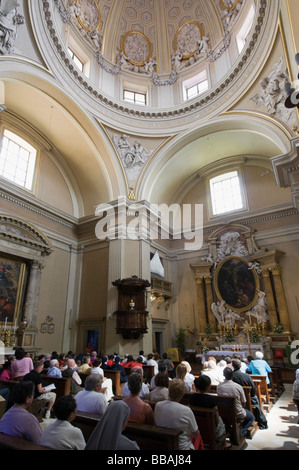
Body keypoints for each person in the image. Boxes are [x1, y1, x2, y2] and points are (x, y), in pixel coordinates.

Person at [154, 379, 202, 450]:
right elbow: (196, 434)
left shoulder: (158, 405)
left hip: (163, 445)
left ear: (169, 391)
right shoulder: (186, 410)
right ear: (182, 394)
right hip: (182, 447)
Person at [217, 367, 255, 437]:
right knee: (251, 417)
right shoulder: (238, 386)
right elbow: (243, 402)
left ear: (224, 375)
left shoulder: (219, 386)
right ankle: (241, 433)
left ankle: (230, 431)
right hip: (237, 412)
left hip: (223, 412)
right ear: (232, 375)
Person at [232, 358, 268, 430]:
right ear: (240, 366)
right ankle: (261, 421)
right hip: (249, 399)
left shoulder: (231, 376)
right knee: (255, 399)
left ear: (232, 366)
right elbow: (253, 389)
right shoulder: (246, 376)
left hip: (235, 400)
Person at [190, 375, 227, 442]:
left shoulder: (192, 397)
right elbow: (217, 421)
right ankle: (223, 443)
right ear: (208, 386)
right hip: (210, 429)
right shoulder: (211, 399)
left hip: (196, 427)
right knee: (221, 420)